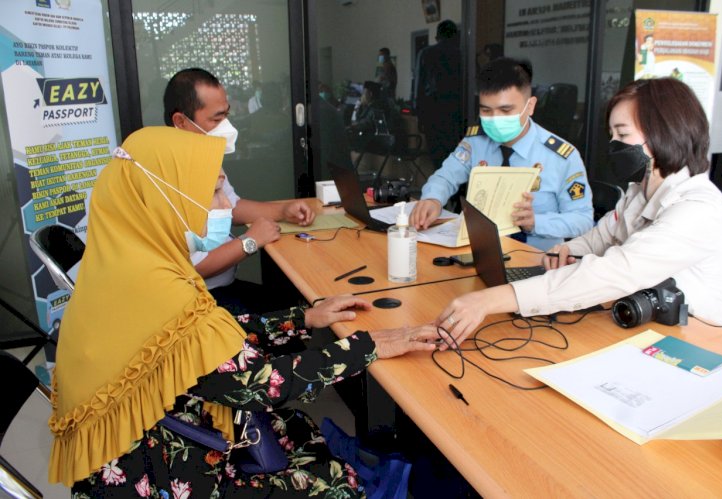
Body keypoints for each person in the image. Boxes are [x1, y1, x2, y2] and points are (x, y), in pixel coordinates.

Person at [48, 126, 442, 495]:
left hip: (149, 427)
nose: (226, 206)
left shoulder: (131, 261)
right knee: (326, 476)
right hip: (147, 469)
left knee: (295, 431)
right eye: (214, 193)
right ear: (164, 200)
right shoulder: (157, 288)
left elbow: (205, 339)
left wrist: (303, 318)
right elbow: (256, 383)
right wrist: (367, 345)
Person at [433, 78, 722, 344]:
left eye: (623, 135)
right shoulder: (639, 193)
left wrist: (490, 300)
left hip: (719, 345)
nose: (613, 144)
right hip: (661, 328)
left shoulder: (699, 210)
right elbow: (600, 237)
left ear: (664, 133)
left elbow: (615, 271)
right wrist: (566, 249)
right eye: (612, 134)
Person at [164, 68, 314, 314]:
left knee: (293, 306)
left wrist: (284, 210)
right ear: (181, 121)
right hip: (198, 303)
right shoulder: (169, 174)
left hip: (223, 287)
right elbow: (191, 266)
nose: (226, 126)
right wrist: (250, 241)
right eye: (216, 119)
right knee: (296, 321)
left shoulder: (204, 155)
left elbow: (232, 206)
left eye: (226, 116)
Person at [410, 57, 594, 251]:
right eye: (486, 111)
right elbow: (446, 176)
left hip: (537, 261)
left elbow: (583, 220)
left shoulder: (562, 156)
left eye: (506, 110)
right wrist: (433, 199)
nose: (495, 119)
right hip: (479, 252)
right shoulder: (475, 142)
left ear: (530, 106)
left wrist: (536, 222)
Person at [415, 19, 463, 168]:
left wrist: (420, 115)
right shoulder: (461, 55)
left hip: (432, 112)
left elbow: (419, 87)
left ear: (437, 37)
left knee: (437, 158)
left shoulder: (426, 53)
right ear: (456, 37)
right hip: (455, 113)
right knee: (454, 157)